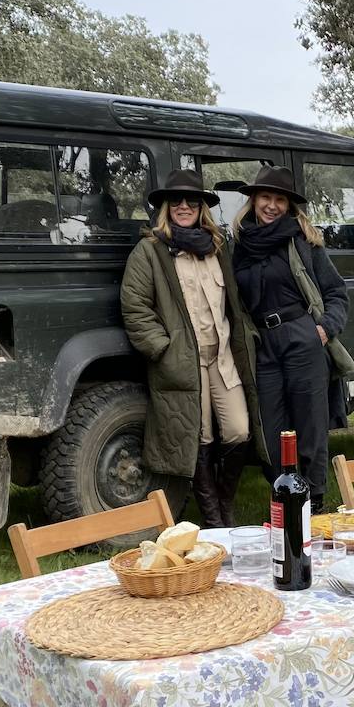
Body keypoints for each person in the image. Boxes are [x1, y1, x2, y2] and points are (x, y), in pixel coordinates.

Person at [120, 170, 264, 527]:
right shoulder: (150, 251)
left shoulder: (217, 248)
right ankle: (215, 519)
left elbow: (232, 301)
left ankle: (224, 502)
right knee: (197, 436)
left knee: (238, 430)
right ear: (166, 208)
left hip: (223, 358)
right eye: (177, 201)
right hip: (183, 362)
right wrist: (164, 350)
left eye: (192, 201)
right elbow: (135, 307)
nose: (184, 206)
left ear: (203, 208)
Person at [231, 165, 349, 513]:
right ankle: (286, 496)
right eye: (265, 197)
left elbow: (337, 292)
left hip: (301, 335)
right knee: (271, 426)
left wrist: (325, 328)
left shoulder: (302, 240)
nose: (271, 205)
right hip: (263, 341)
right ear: (253, 200)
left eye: (279, 199)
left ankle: (316, 502)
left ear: (289, 205)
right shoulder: (239, 245)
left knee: (310, 423)